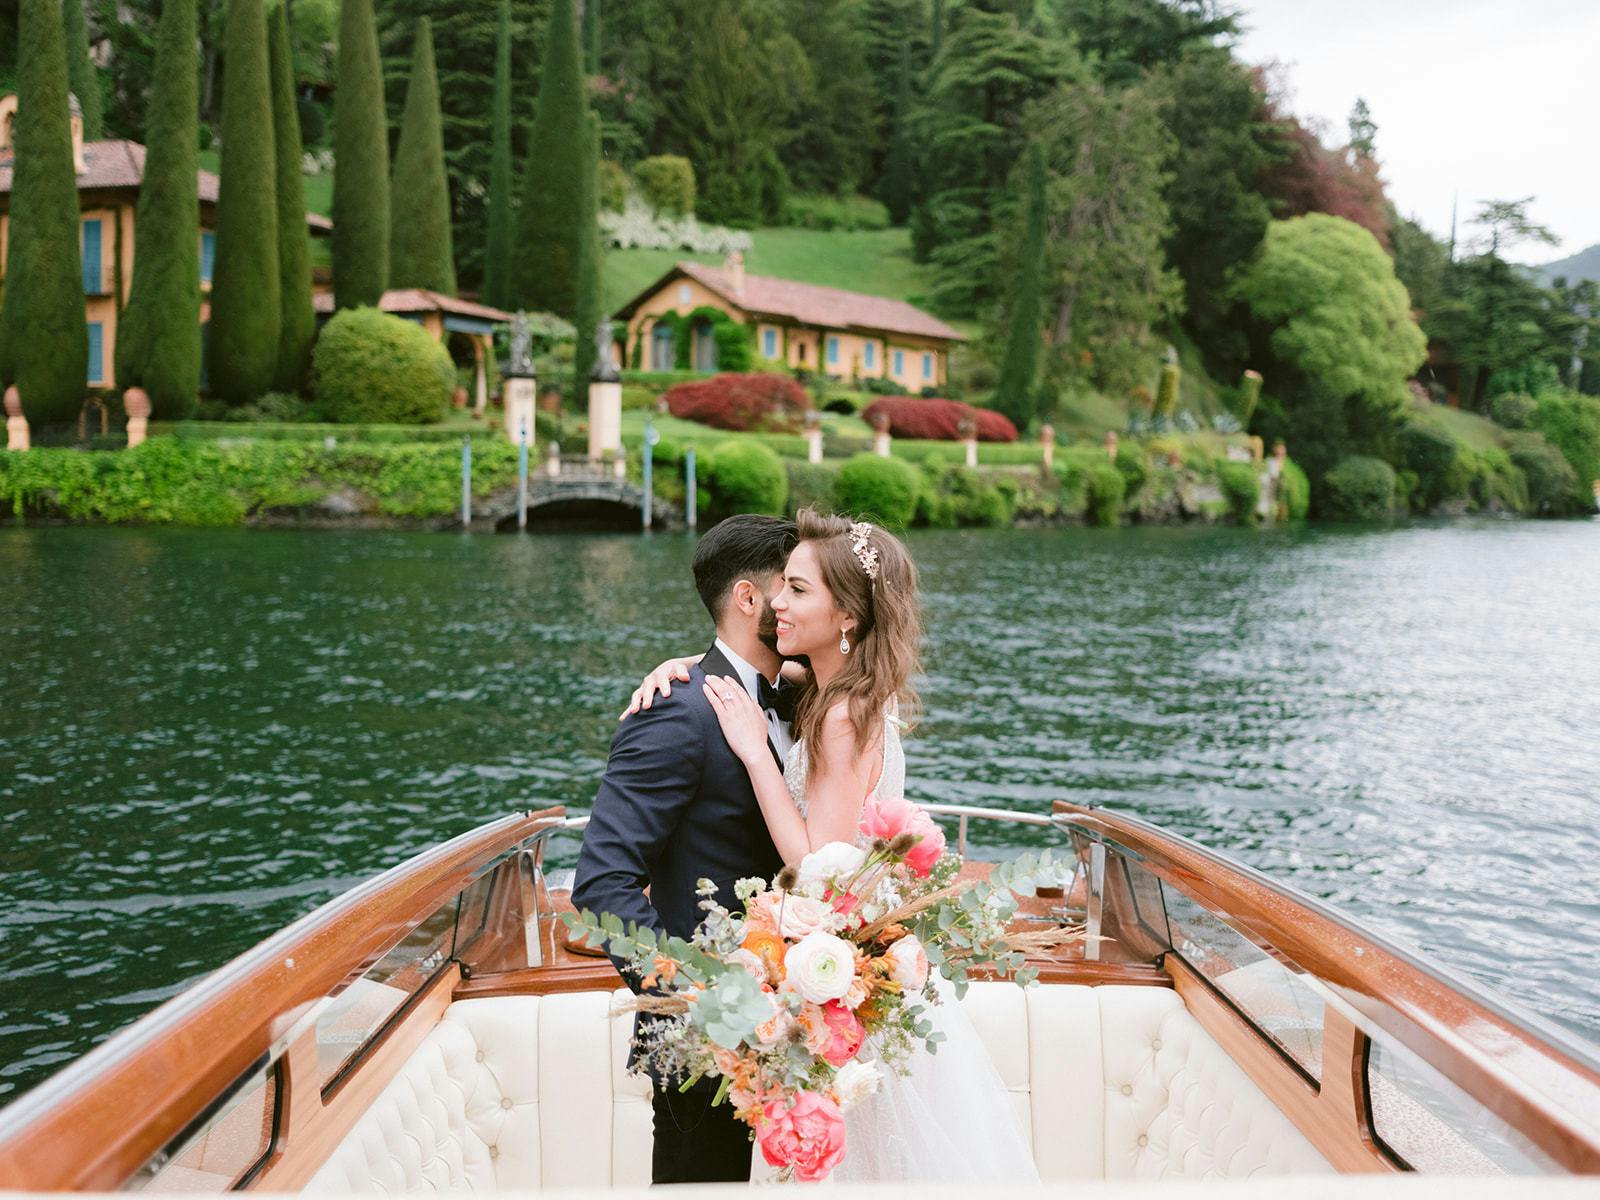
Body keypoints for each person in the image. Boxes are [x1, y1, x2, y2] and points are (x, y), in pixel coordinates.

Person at [624, 508, 1039, 1183]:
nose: (778, 604)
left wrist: (757, 756)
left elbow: (816, 862)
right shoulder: (831, 688)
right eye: (779, 586)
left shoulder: (843, 712)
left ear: (846, 613)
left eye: (797, 589)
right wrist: (687, 670)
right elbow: (749, 675)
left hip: (841, 969)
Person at [572, 513, 801, 1185]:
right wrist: (707, 1001)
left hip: (800, 1024)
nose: (795, 605)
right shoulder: (676, 709)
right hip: (707, 1040)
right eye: (788, 587)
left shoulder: (803, 693)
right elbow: (601, 886)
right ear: (748, 599)